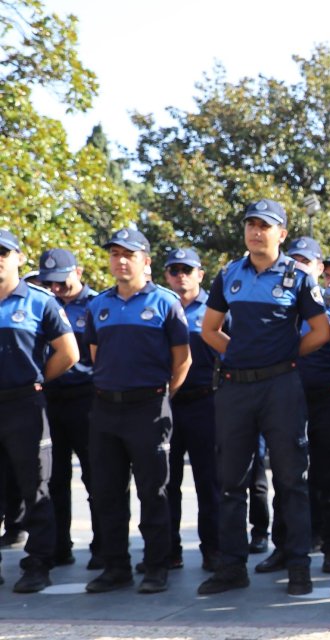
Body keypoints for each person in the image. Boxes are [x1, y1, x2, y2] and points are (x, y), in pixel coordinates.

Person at [198, 199, 329, 596]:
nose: (256, 232)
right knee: (232, 481)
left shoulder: (298, 277)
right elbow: (210, 330)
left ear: (282, 234)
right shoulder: (229, 275)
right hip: (236, 387)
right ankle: (232, 567)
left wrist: (284, 355)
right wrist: (237, 354)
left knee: (292, 480)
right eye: (251, 225)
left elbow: (320, 331)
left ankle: (298, 565)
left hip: (281, 387)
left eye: (265, 226)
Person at [83, 228, 191, 594]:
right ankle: (116, 567)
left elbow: (182, 360)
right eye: (115, 254)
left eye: (129, 254)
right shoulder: (99, 305)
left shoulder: (165, 302)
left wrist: (161, 396)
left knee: (153, 491)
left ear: (146, 261)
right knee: (107, 492)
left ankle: (157, 566)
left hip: (148, 407)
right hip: (106, 408)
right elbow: (97, 357)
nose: (121, 261)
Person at [255, 237, 330, 576]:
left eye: (305, 261)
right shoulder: (281, 308)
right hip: (287, 394)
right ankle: (285, 546)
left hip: (325, 397)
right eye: (294, 259)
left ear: (318, 268)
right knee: (287, 475)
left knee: (329, 475)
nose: (298, 266)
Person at [0, 228, 78, 593]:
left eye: (4, 253)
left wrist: (36, 382)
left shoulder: (39, 301)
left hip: (24, 405)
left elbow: (69, 353)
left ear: (18, 257)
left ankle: (38, 564)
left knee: (36, 487)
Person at [36, 248, 102, 568]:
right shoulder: (43, 305)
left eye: (62, 282)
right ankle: (58, 546)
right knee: (53, 480)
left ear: (79, 272)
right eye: (50, 283)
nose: (56, 289)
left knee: (96, 476)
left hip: (86, 400)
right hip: (51, 401)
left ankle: (103, 546)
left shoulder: (96, 306)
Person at [161, 248, 222, 572]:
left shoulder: (217, 308)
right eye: (174, 270)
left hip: (205, 402)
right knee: (165, 481)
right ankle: (169, 550)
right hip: (167, 404)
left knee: (209, 481)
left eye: (187, 270)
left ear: (200, 273)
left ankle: (213, 548)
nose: (180, 276)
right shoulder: (160, 306)